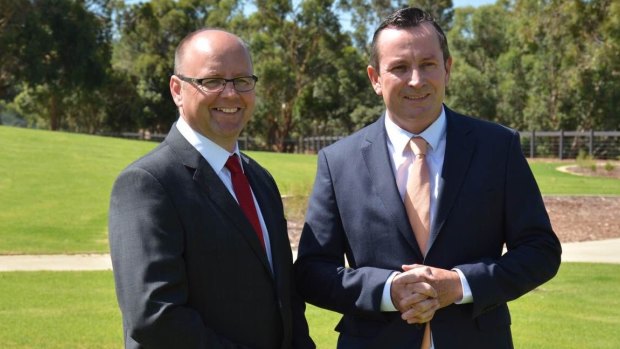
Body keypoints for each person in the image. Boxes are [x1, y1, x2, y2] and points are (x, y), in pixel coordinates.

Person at [294, 7, 561, 349]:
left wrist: (461, 284)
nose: (416, 80)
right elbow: (312, 272)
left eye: (428, 64)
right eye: (400, 68)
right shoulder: (337, 162)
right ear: (375, 78)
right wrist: (387, 291)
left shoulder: (498, 147)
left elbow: (541, 250)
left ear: (447, 69)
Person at [108, 28, 315, 349]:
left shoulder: (260, 180)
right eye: (212, 81)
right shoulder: (148, 183)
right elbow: (154, 315)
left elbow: (284, 295)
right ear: (177, 90)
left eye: (243, 81)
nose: (231, 94)